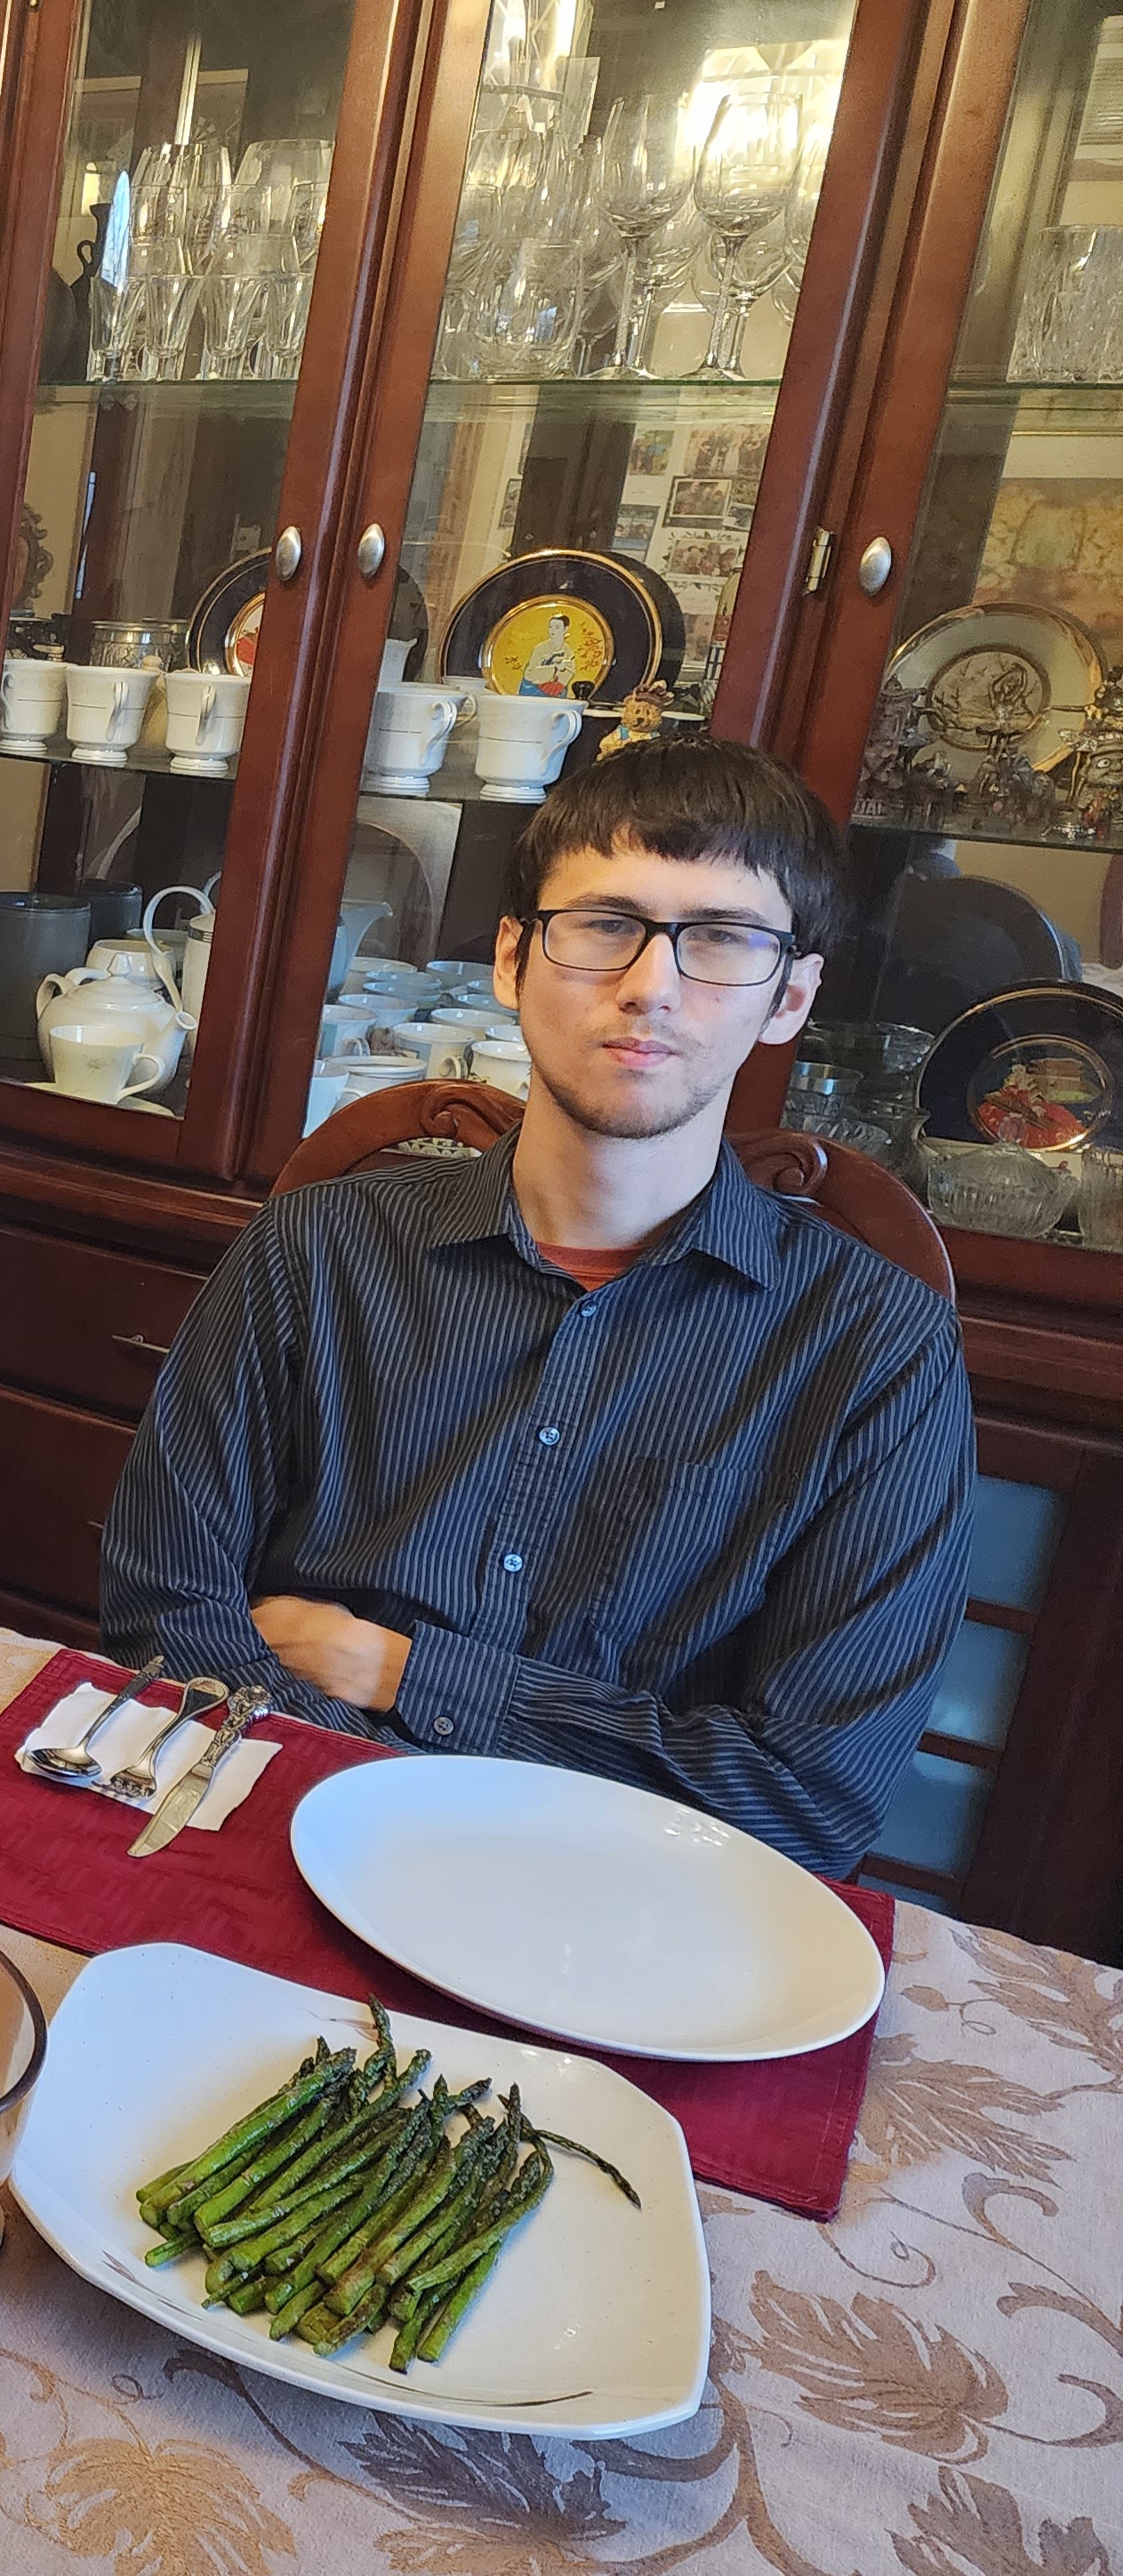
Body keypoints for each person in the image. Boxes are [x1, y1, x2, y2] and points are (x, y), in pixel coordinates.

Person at [100, 739, 972, 1875]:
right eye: (605, 924)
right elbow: (163, 1609)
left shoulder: (876, 1349)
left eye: (721, 938)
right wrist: (363, 1805)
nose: (650, 985)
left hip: (620, 1897)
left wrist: (408, 1672)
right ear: (512, 960)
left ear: (789, 997)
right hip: (288, 1832)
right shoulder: (318, 1248)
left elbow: (808, 1798)